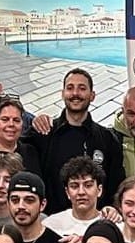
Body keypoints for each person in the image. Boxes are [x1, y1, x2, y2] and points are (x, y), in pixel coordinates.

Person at [31, 68, 124, 214]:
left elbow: (116, 186)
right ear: (63, 94)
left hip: (95, 222)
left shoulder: (107, 139)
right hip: (51, 220)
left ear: (92, 95)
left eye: (82, 88)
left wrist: (112, 210)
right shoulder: (44, 133)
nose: (75, 93)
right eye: (70, 88)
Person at [6, 171, 77, 243]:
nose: (21, 206)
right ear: (8, 204)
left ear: (42, 204)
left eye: (29, 200)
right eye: (15, 200)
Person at [43, 156, 108, 243]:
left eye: (88, 185)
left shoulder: (114, 225)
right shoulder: (50, 225)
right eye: (74, 186)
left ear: (99, 190)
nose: (81, 192)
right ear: (67, 192)